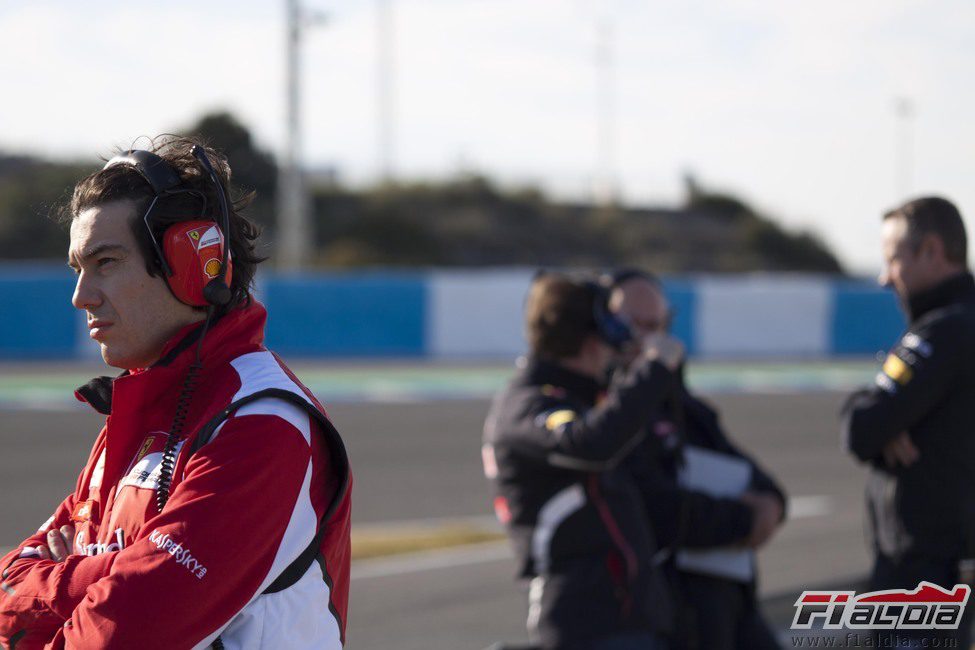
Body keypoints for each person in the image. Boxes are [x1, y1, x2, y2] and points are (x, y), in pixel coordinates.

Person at [0, 137, 352, 649]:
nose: (81, 296)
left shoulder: (263, 423)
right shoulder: (133, 419)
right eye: (78, 269)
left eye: (106, 263)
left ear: (194, 266)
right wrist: (107, 573)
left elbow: (123, 634)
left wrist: (73, 574)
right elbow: (9, 591)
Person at [482, 271, 684, 650]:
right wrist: (653, 370)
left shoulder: (579, 399)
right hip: (588, 624)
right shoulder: (530, 404)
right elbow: (590, 444)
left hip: (624, 617)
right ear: (592, 333)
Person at [608, 268, 786, 650]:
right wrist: (744, 518)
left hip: (725, 601)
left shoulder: (682, 404)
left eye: (656, 325)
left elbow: (748, 472)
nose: (648, 339)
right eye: (634, 327)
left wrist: (771, 502)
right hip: (662, 615)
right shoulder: (608, 417)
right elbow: (656, 509)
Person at [843, 196, 975, 646]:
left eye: (893, 259)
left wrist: (881, 416)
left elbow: (862, 429)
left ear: (931, 252)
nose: (885, 277)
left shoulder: (945, 332)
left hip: (927, 573)